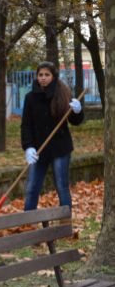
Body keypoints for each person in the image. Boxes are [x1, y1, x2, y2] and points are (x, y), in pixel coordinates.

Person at [21, 61, 84, 216]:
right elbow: (26, 125)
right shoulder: (30, 98)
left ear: (54, 76)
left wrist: (77, 111)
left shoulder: (63, 94)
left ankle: (65, 223)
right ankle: (26, 225)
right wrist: (28, 147)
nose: (43, 78)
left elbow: (74, 122)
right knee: (31, 190)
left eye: (47, 75)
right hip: (38, 150)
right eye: (40, 75)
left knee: (62, 188)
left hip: (60, 148)